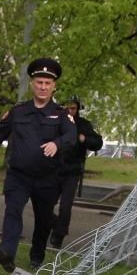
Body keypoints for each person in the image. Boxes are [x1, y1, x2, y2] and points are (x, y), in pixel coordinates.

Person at [0, 58, 76, 271]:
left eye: (47, 84)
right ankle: (7, 252)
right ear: (32, 84)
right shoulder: (18, 111)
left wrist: (57, 143)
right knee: (13, 209)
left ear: (53, 87)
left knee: (43, 220)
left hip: (47, 178)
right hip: (19, 175)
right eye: (39, 82)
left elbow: (71, 135)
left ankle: (37, 254)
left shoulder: (61, 114)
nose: (43, 87)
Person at [50, 95, 104, 248]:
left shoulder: (83, 125)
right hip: (54, 169)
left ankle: (59, 235)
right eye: (67, 107)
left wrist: (84, 139)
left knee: (65, 206)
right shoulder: (56, 122)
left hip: (72, 171)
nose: (69, 111)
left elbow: (97, 143)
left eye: (73, 108)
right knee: (44, 204)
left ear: (78, 109)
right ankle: (57, 226)